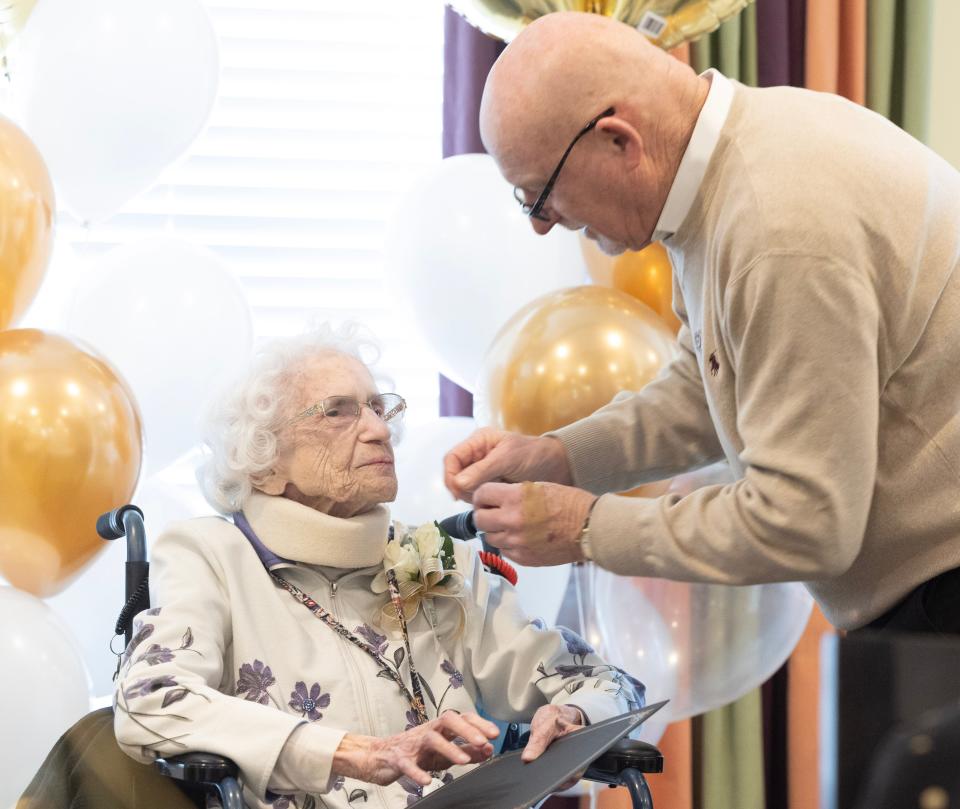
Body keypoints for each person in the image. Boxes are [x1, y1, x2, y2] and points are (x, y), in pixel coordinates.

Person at [443, 11, 960, 634]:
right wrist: (559, 456)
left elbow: (804, 523)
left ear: (618, 140)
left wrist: (581, 527)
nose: (541, 223)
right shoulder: (732, 165)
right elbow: (709, 386)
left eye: (540, 193)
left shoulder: (778, 229)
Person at [112, 323, 643, 809]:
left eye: (376, 407)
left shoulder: (440, 559)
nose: (377, 429)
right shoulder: (211, 557)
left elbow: (603, 682)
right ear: (266, 461)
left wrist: (575, 715)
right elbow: (150, 698)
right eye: (338, 411)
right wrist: (356, 754)